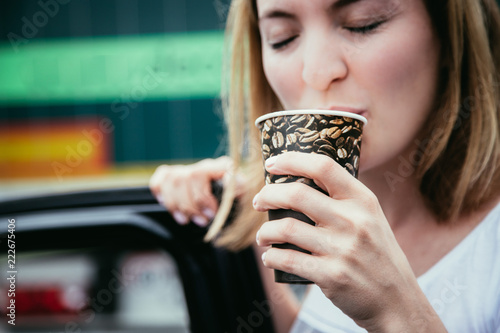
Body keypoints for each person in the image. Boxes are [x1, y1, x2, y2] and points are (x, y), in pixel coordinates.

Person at [150, 0, 500, 332]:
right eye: (282, 38)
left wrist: (399, 313)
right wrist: (229, 211)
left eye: (363, 24)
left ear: (448, 31)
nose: (316, 72)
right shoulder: (316, 214)